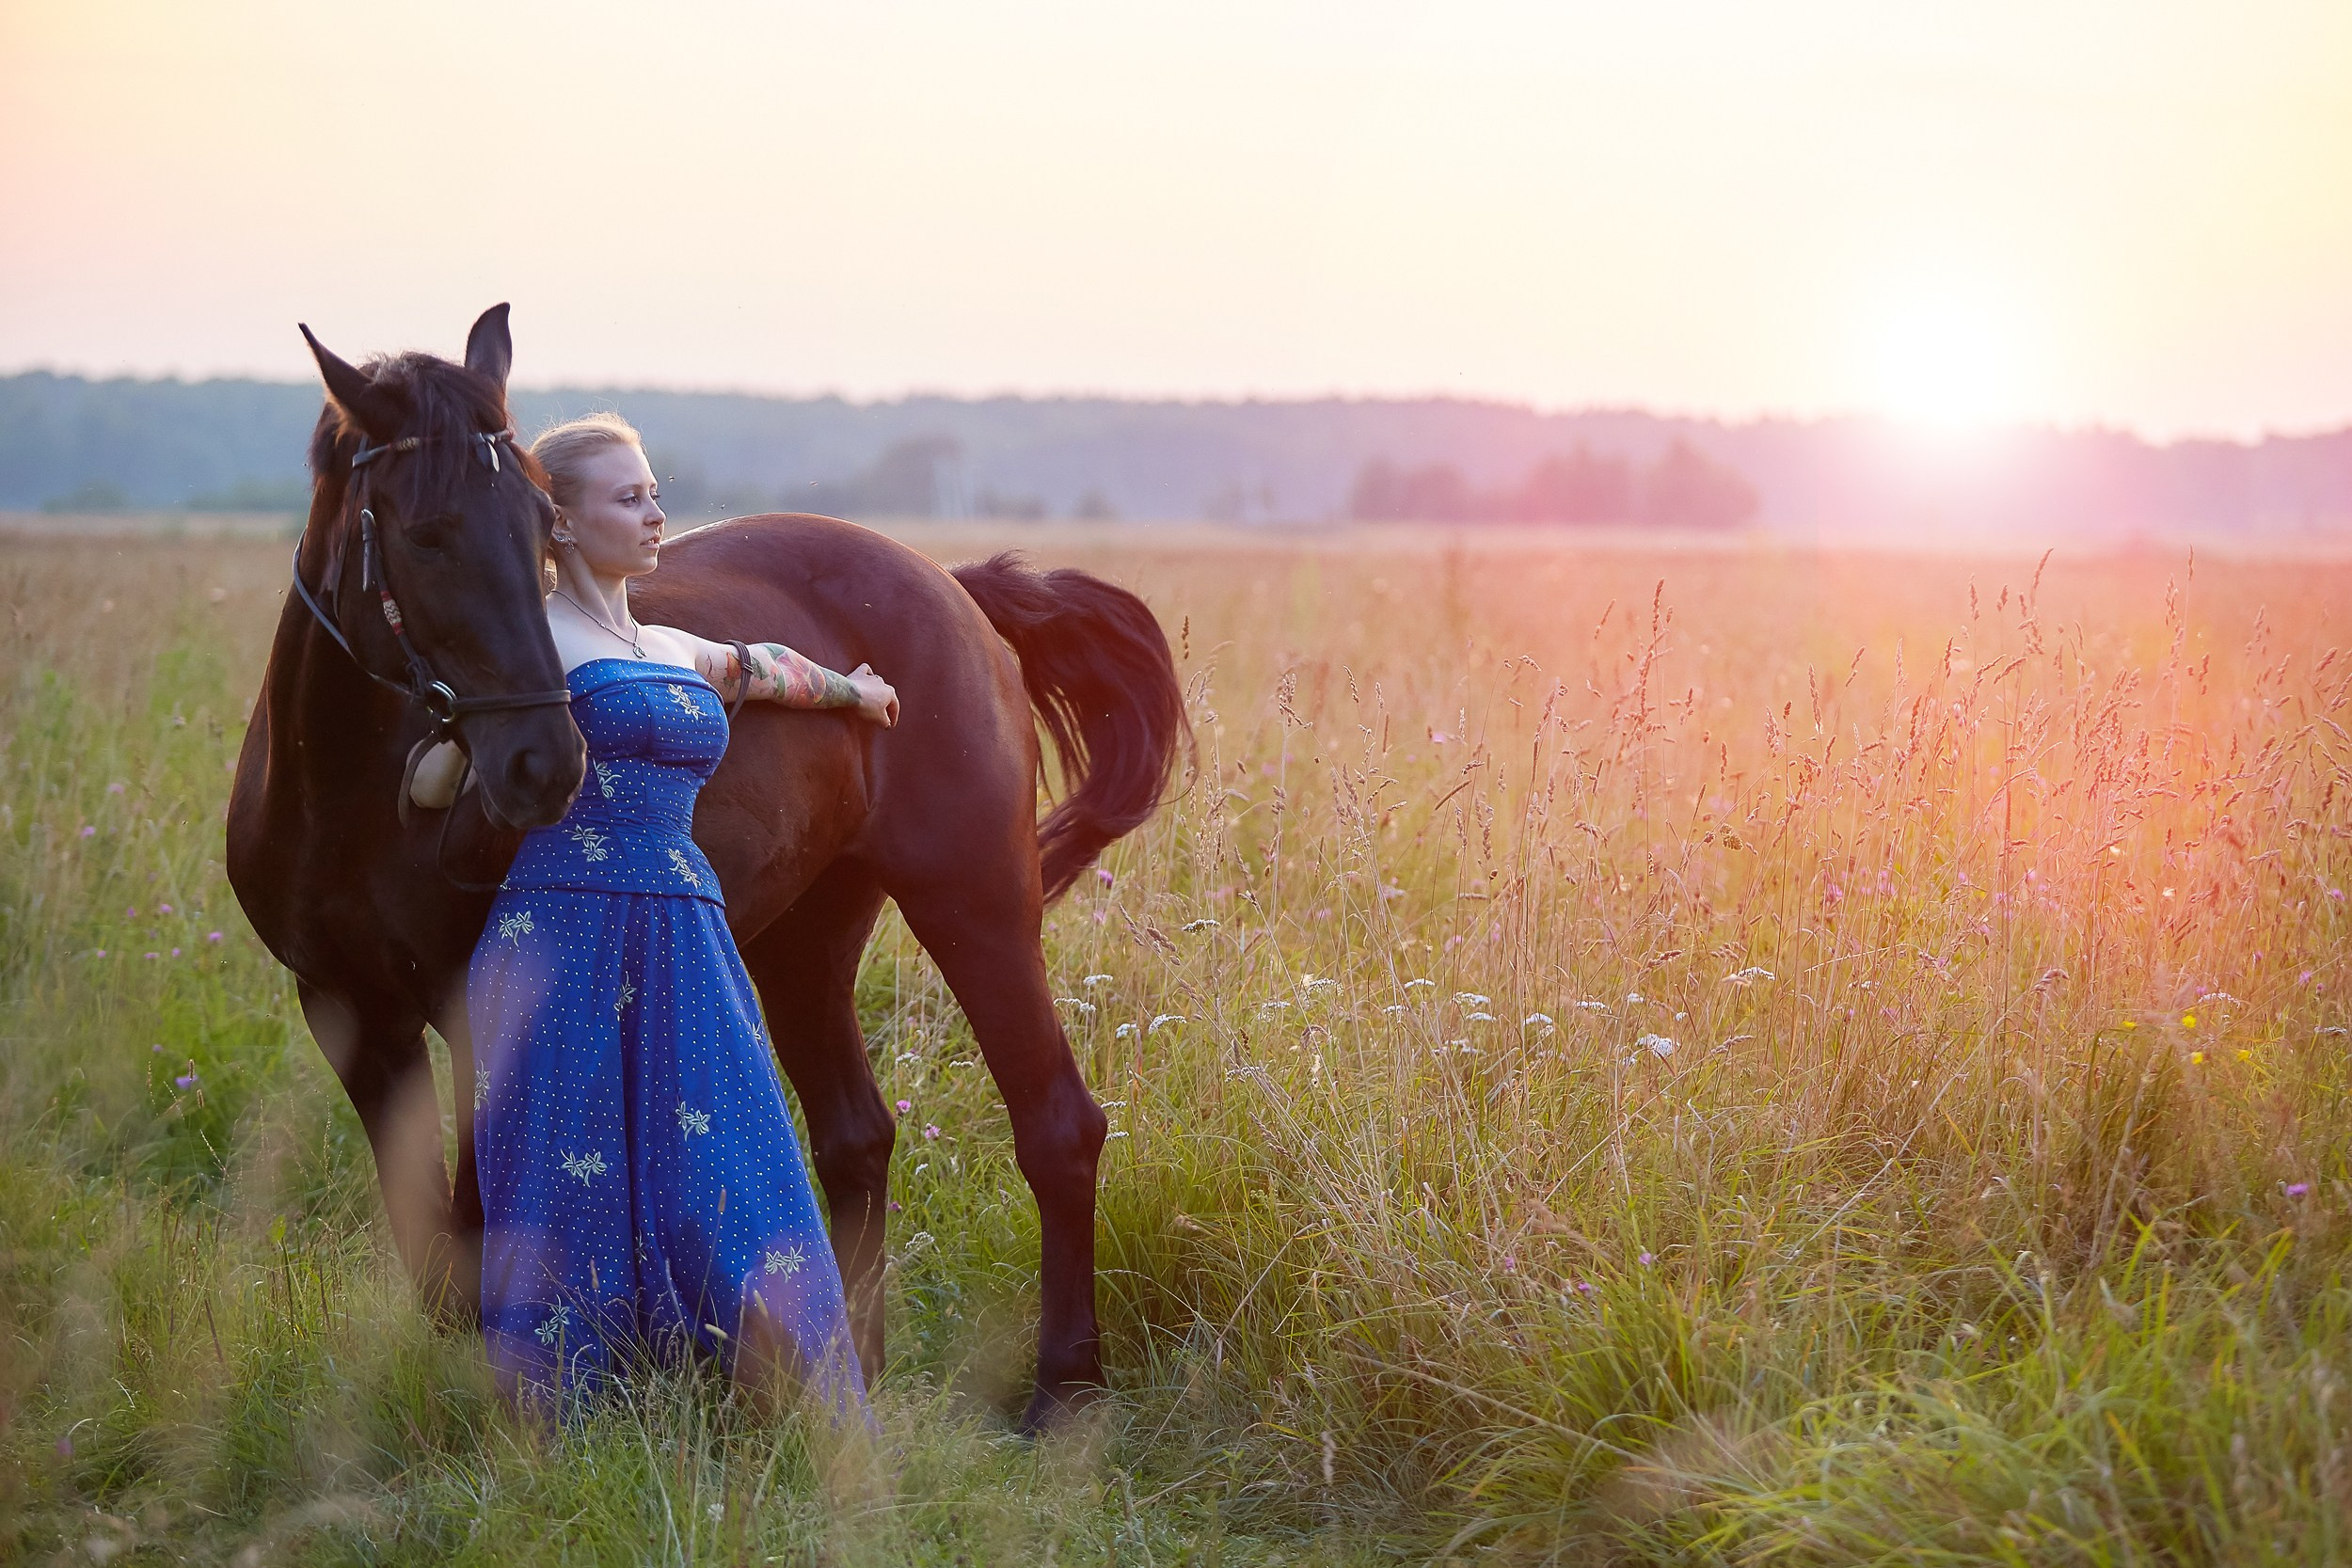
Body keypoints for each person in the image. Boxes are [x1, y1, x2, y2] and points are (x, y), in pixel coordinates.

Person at [463, 411, 897, 1416]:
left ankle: (771, 1390)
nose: (657, 512)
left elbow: (761, 667)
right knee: (569, 1178)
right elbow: (447, 772)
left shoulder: (664, 642)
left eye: (655, 491)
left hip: (685, 931)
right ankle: (566, 1416)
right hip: (559, 927)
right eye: (629, 497)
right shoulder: (528, 647)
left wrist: (852, 691)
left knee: (732, 1154)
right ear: (560, 524)